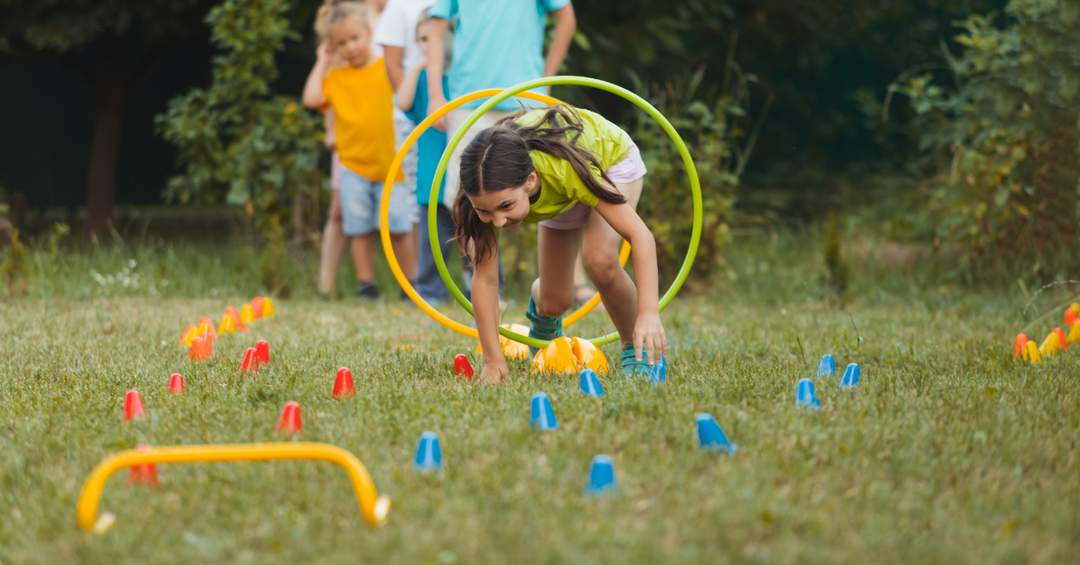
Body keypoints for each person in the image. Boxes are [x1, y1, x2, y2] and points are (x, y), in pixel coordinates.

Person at [453, 105, 666, 382]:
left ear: (530, 181)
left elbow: (641, 236)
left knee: (599, 260)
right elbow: (486, 280)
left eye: (506, 206)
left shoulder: (564, 170)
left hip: (609, 163)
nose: (498, 222)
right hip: (560, 191)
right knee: (556, 302)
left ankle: (636, 350)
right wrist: (493, 362)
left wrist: (649, 313)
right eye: (486, 211)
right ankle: (541, 316)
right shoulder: (483, 192)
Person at [302, 1, 414, 301]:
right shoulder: (335, 78)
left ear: (369, 33)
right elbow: (311, 99)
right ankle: (367, 287)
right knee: (359, 230)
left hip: (393, 167)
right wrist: (322, 61)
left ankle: (411, 287)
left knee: (400, 230)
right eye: (340, 43)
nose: (349, 47)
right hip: (353, 168)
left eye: (355, 38)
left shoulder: (385, 70)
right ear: (331, 46)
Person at [396, 10, 457, 304]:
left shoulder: (463, 76)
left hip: (465, 176)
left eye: (435, 37)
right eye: (422, 39)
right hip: (432, 176)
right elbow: (403, 102)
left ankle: (481, 290)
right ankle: (430, 291)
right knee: (433, 243)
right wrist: (419, 67)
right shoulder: (422, 81)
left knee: (476, 239)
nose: (429, 44)